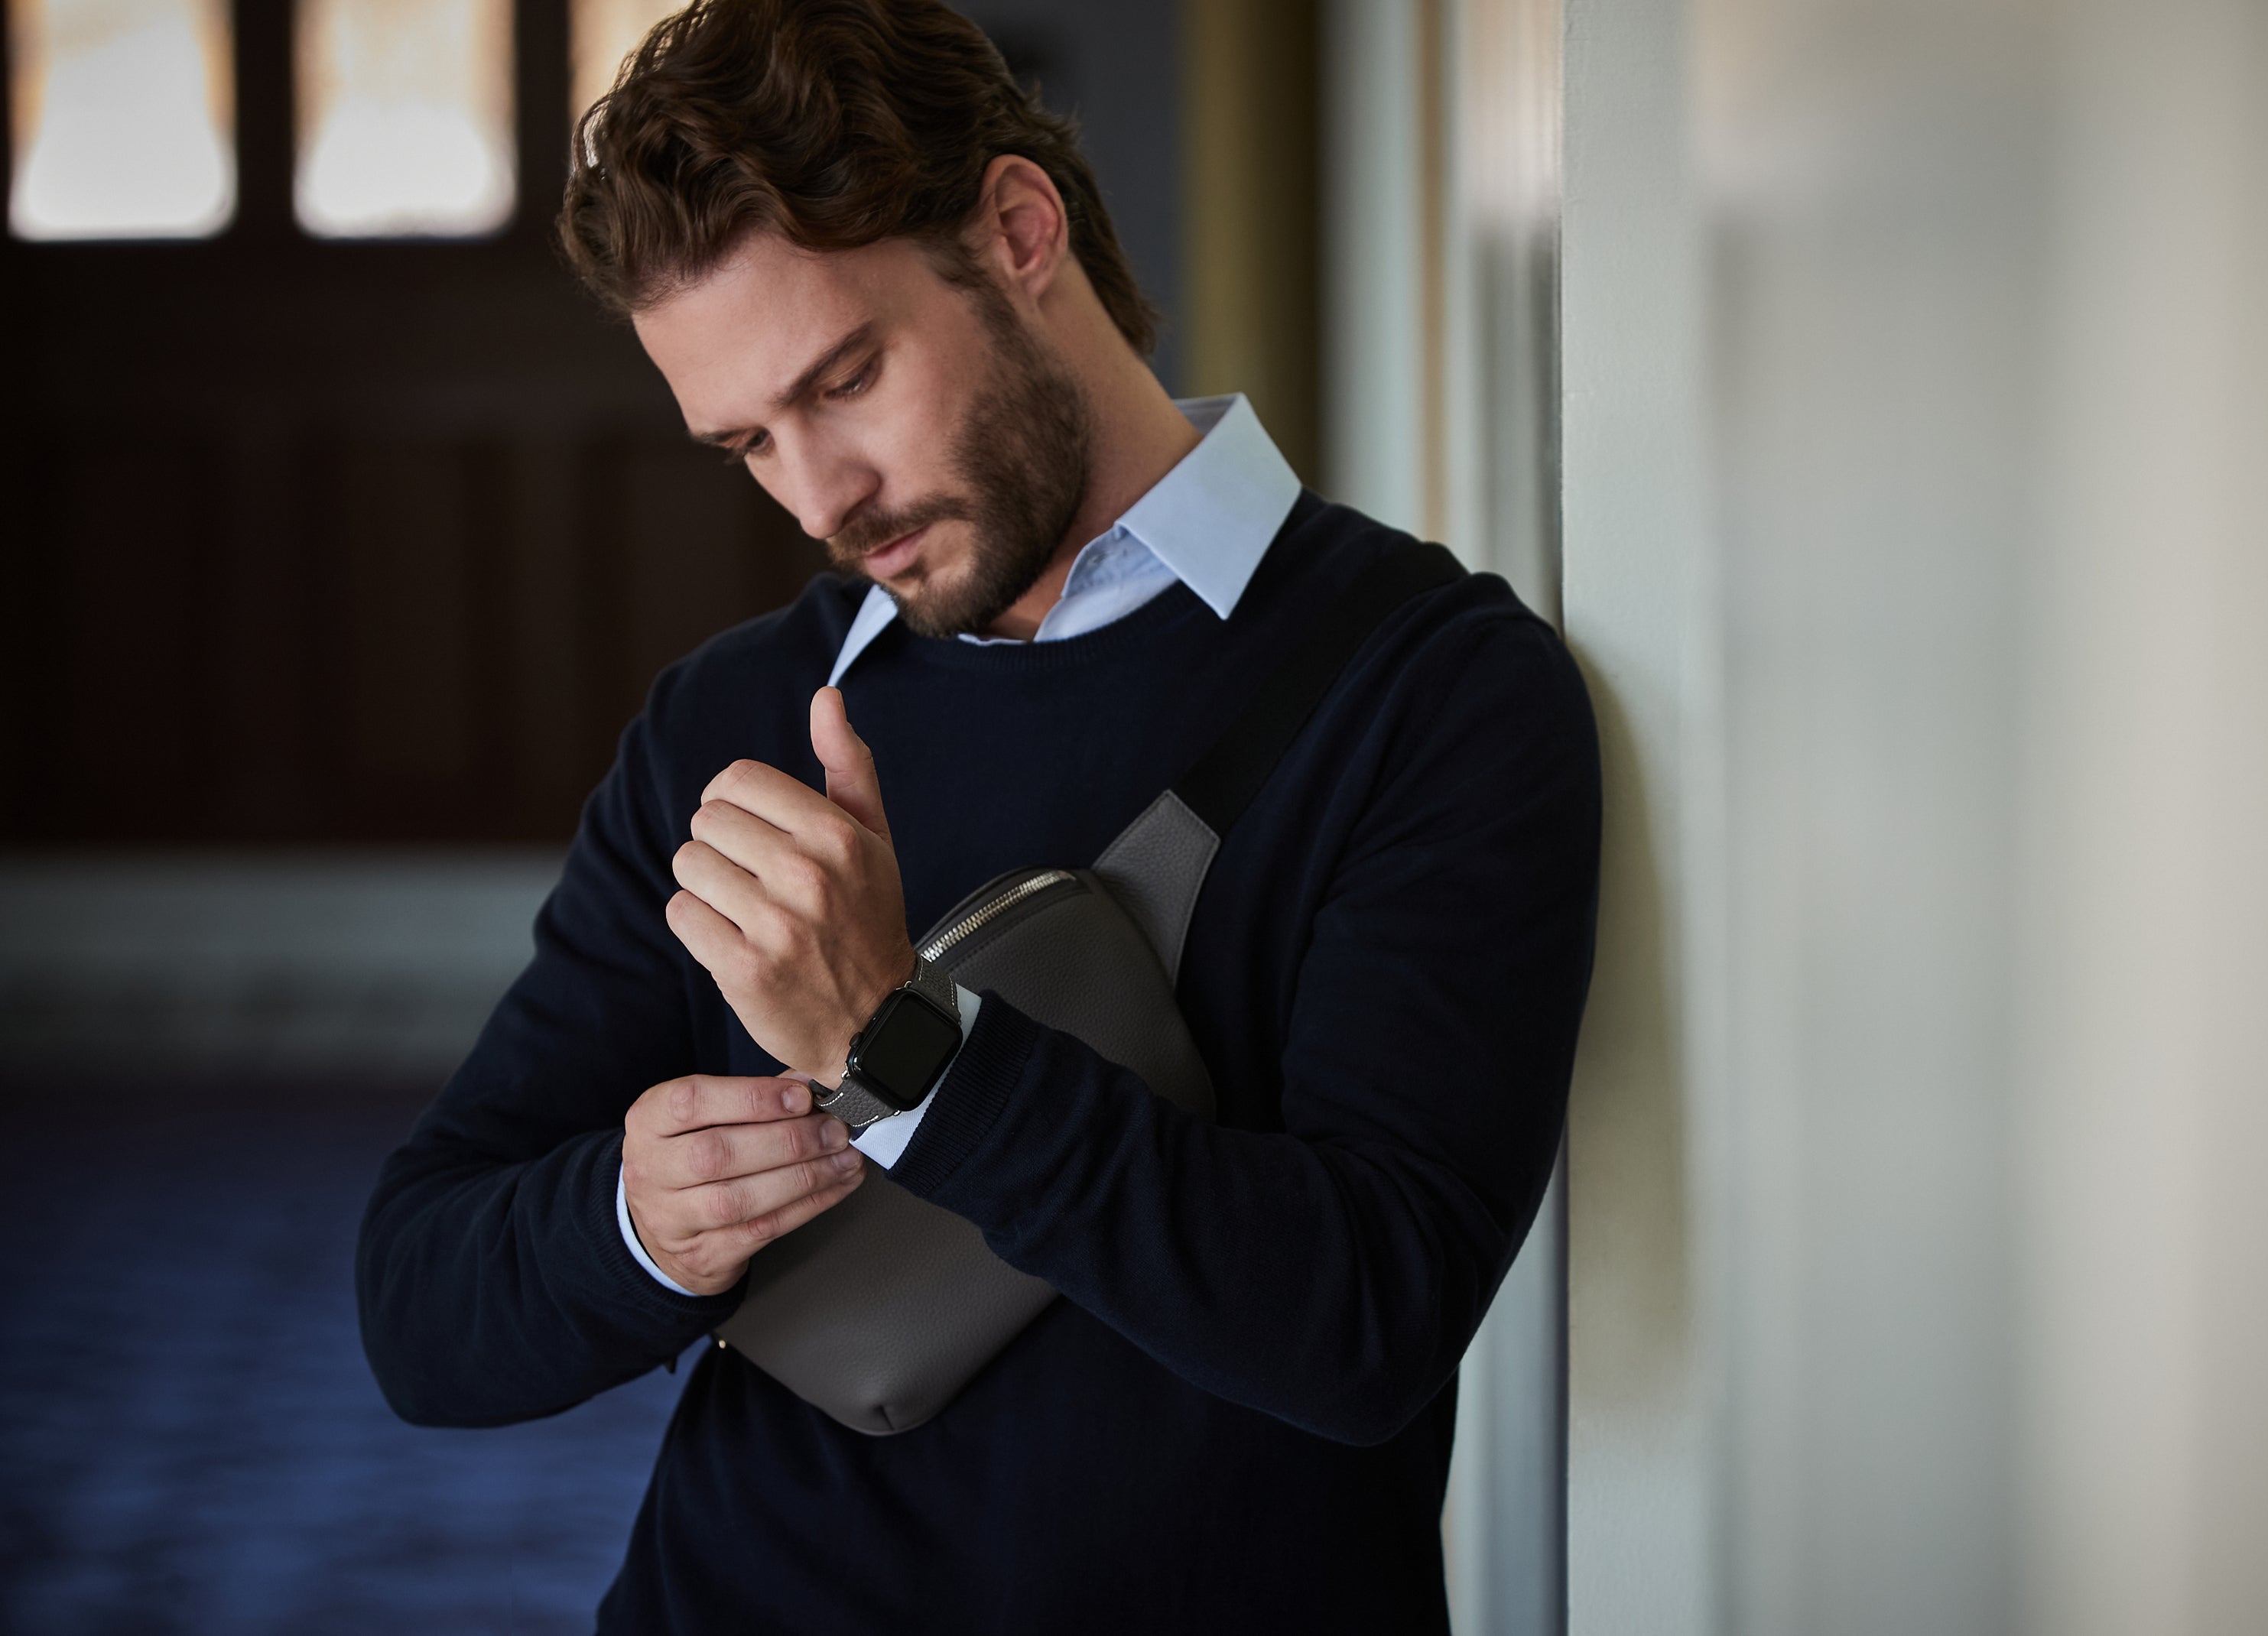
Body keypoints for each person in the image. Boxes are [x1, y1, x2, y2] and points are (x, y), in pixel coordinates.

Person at [356, 0, 1600, 1628]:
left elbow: (1363, 1318)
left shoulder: (1432, 687)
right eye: (747, 442)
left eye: (847, 378)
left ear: (1018, 232)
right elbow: (419, 1305)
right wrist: (633, 1220)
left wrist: (902, 1043)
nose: (818, 498)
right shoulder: (728, 725)